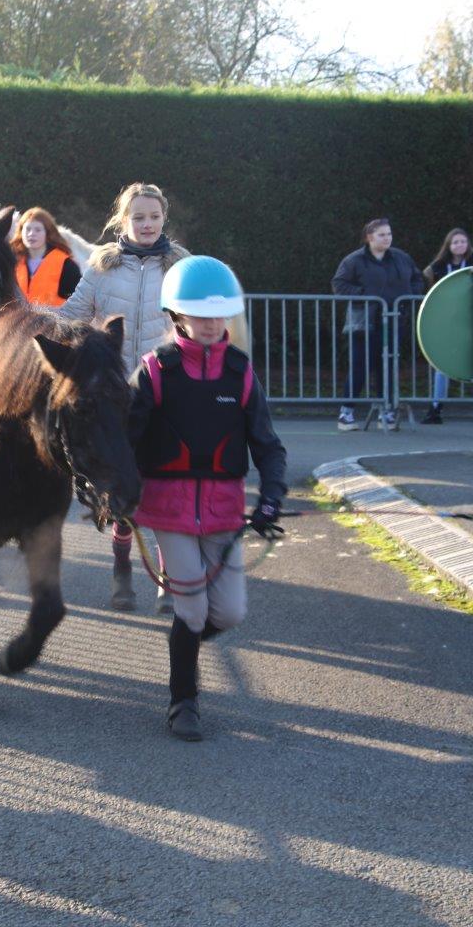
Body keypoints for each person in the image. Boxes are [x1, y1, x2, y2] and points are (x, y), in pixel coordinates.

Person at [127, 255, 287, 740]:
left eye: (220, 315)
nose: (213, 324)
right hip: (168, 512)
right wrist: (117, 499)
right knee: (192, 611)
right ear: (177, 315)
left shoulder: (240, 373)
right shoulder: (154, 372)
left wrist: (271, 500)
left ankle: (184, 649)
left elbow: (268, 445)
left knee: (229, 613)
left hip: (222, 514)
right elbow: (126, 442)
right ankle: (183, 702)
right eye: (201, 315)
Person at [59, 182, 189, 612]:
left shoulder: (182, 266)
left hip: (166, 391)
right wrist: (25, 317)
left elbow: (203, 320)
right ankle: (121, 573)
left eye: (153, 216)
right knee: (122, 494)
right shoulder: (100, 265)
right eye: (138, 217)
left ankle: (168, 580)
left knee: (166, 488)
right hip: (116, 398)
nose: (147, 223)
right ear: (123, 220)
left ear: (163, 218)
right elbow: (72, 315)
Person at [332, 218, 424, 431]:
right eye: (382, 234)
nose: (387, 238)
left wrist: (410, 295)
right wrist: (364, 296)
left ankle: (387, 412)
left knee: (389, 367)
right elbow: (339, 284)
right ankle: (346, 413)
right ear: (369, 237)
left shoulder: (401, 258)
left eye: (389, 234)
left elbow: (417, 279)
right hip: (364, 323)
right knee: (360, 366)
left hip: (394, 320)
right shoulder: (354, 260)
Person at [420, 228, 473, 424]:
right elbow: (428, 278)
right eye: (455, 242)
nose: (459, 245)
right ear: (449, 245)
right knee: (442, 364)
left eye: (463, 241)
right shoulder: (440, 265)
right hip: (449, 323)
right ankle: (436, 408)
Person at [10, 207, 81, 306]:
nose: (31, 234)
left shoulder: (67, 265)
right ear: (21, 232)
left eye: (37, 230)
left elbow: (79, 305)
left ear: (48, 233)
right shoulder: (11, 263)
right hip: (18, 321)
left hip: (55, 321)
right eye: (27, 229)